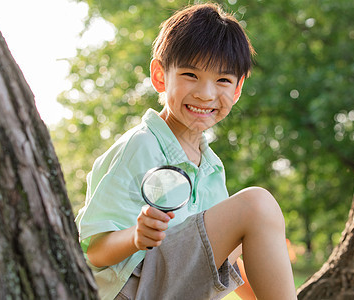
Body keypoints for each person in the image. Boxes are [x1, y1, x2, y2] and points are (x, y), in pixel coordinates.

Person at [75, 3, 296, 299]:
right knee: (256, 205)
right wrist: (136, 237)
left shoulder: (212, 167)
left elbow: (223, 257)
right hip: (130, 289)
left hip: (170, 284)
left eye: (222, 80)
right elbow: (93, 250)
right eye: (190, 75)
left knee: (254, 224)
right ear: (160, 76)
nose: (206, 94)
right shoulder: (140, 145)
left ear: (238, 89)